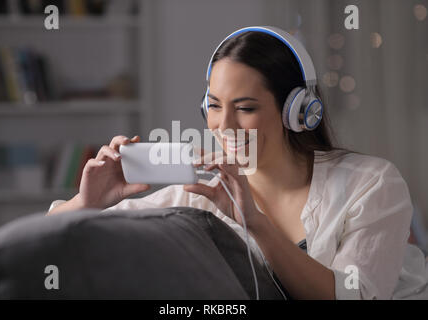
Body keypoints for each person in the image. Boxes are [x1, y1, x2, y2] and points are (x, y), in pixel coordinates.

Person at [47, 27, 427, 300]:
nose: (223, 126)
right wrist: (89, 203)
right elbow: (50, 247)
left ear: (297, 112)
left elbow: (353, 296)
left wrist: (255, 221)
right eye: (213, 106)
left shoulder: (373, 183)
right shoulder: (201, 190)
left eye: (245, 108)